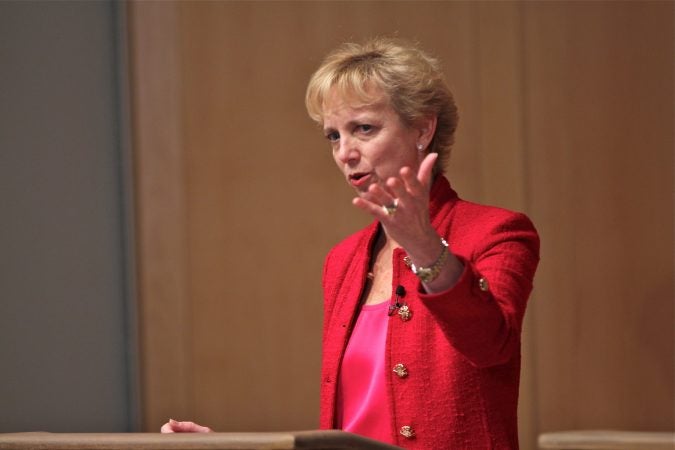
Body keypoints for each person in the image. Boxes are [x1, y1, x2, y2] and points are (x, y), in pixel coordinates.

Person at [162, 38, 539, 449]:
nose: (345, 152)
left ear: (423, 129)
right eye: (333, 136)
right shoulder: (343, 261)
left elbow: (491, 346)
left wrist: (426, 248)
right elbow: (354, 428)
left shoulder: (497, 231)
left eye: (364, 128)